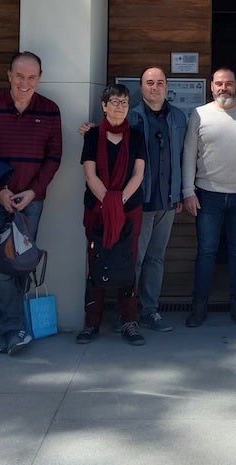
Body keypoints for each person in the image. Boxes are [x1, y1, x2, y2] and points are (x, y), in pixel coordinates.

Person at [76, 67, 186, 338]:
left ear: (166, 86)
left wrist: (181, 192)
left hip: (166, 199)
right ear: (141, 87)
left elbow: (182, 156)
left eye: (160, 82)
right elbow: (98, 155)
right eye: (149, 82)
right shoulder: (134, 118)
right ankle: (125, 314)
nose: (155, 87)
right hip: (140, 201)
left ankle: (148, 310)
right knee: (129, 261)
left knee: (155, 259)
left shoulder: (179, 117)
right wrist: (114, 201)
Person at [0, 51, 62, 356]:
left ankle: (7, 328)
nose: (25, 82)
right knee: (2, 266)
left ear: (39, 78)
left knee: (21, 264)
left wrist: (33, 192)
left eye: (32, 77)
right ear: (9, 75)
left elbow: (53, 158)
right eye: (19, 76)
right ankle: (13, 326)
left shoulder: (50, 110)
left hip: (31, 203)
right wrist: (0, 191)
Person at [182, 67, 236, 328]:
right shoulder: (199, 114)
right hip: (208, 196)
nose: (223, 88)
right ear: (211, 87)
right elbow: (188, 155)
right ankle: (199, 306)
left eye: (229, 83)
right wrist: (188, 191)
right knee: (206, 252)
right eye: (219, 84)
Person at [79, 84, 147, 345]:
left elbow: (139, 173)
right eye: (115, 101)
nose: (120, 106)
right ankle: (91, 322)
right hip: (96, 208)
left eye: (124, 102)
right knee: (96, 260)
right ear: (104, 105)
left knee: (127, 262)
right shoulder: (92, 136)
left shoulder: (137, 135)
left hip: (129, 209)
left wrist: (119, 202)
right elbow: (89, 173)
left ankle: (129, 320)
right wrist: (108, 201)